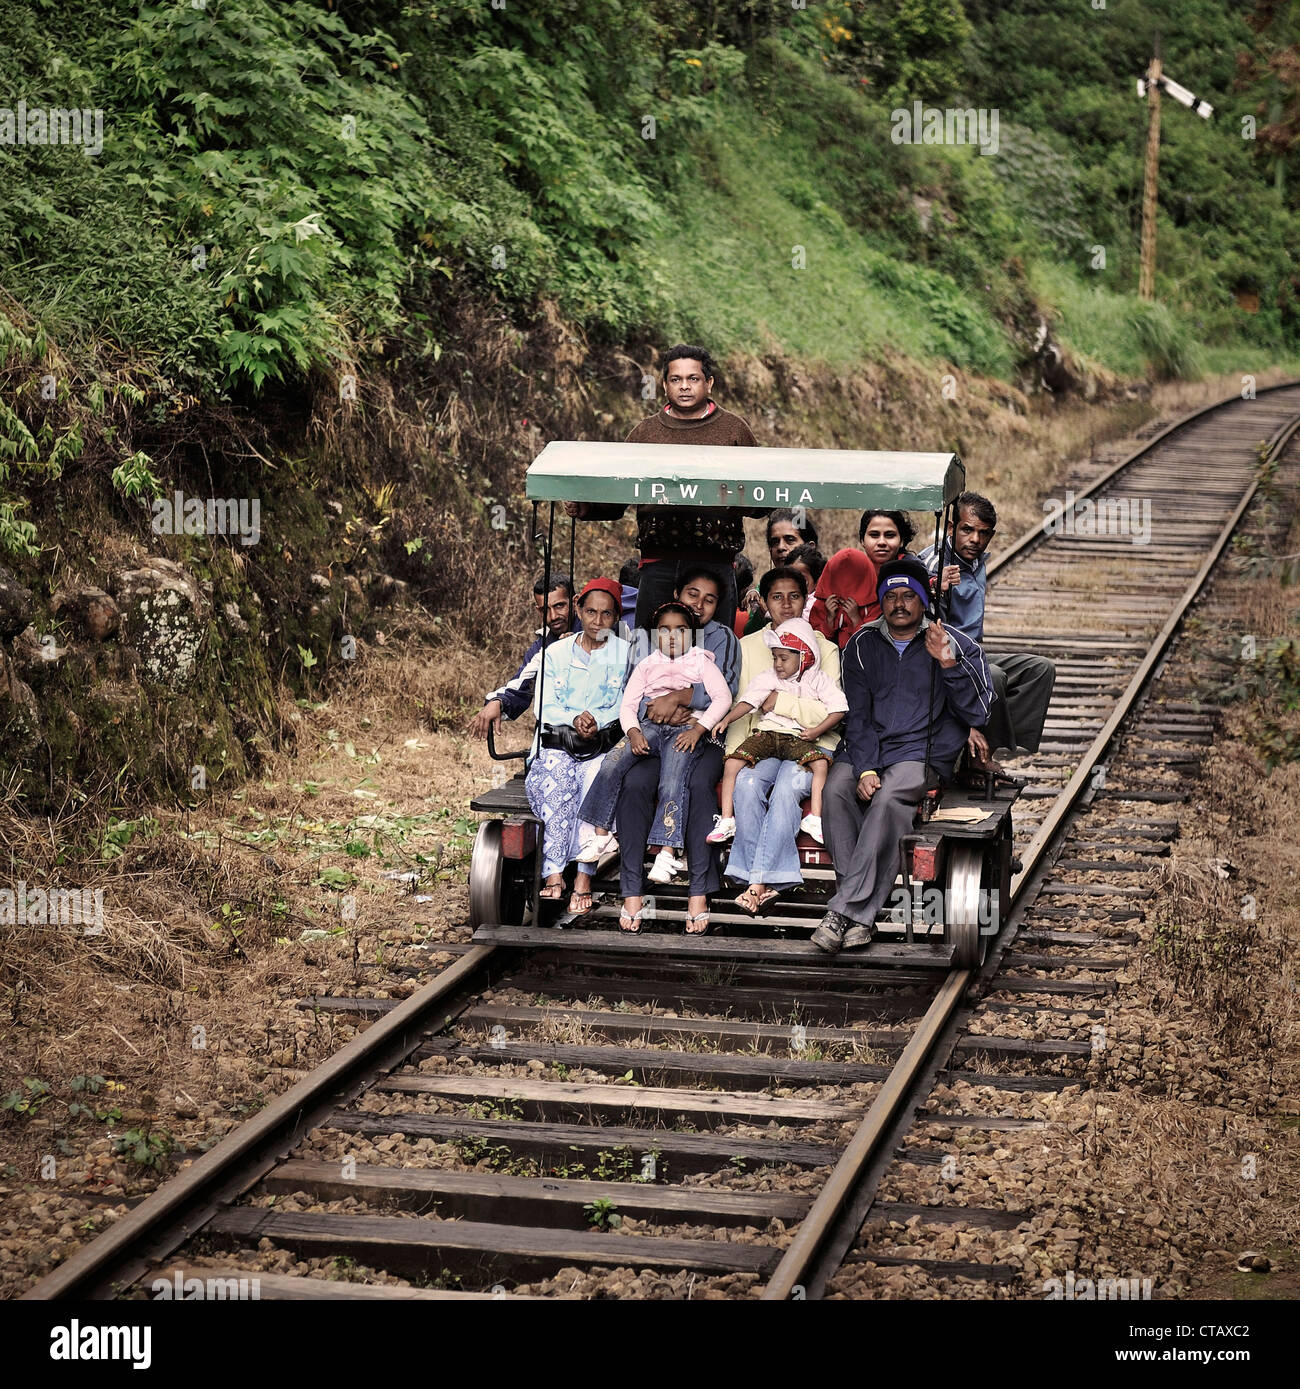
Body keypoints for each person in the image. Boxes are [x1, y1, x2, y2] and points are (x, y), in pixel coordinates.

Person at [814, 556, 992, 955]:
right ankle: (859, 914)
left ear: (923, 600)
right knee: (836, 792)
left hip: (923, 752)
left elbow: (978, 713)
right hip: (870, 749)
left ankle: (844, 912)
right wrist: (865, 768)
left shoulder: (956, 644)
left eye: (908, 596)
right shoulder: (861, 642)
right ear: (881, 600)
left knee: (890, 798)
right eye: (890, 596)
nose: (899, 603)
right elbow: (856, 715)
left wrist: (946, 663)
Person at [563, 344, 764, 631]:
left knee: (715, 648)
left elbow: (761, 495)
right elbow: (620, 491)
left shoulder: (734, 431)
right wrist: (585, 506)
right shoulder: (645, 433)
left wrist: (736, 498)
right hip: (659, 563)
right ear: (664, 384)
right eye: (676, 379)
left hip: (715, 563)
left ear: (709, 383)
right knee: (651, 645)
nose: (684, 386)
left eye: (693, 379)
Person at [579, 602, 732, 934]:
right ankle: (601, 834)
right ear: (654, 635)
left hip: (686, 732)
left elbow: (722, 698)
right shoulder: (647, 664)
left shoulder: (703, 662)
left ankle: (668, 850)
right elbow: (629, 705)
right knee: (614, 764)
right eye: (665, 631)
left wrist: (698, 728)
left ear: (692, 634)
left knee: (674, 782)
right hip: (648, 729)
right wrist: (633, 731)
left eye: (681, 631)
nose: (673, 637)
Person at [721, 567, 842, 915]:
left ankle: (755, 883)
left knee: (789, 785)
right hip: (765, 741)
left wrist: (778, 702)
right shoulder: (748, 646)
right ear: (764, 602)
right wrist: (735, 755)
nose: (786, 604)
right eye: (777, 597)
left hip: (811, 744)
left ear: (806, 601)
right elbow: (742, 708)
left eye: (795, 596)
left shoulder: (824, 649)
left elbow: (827, 713)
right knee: (744, 784)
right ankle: (766, 882)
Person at [918, 492, 1056, 778]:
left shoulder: (976, 561)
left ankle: (987, 750)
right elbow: (919, 619)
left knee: (1040, 670)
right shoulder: (938, 564)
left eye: (983, 534)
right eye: (967, 530)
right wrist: (934, 587)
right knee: (994, 677)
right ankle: (978, 761)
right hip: (944, 659)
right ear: (952, 528)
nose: (975, 540)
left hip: (973, 654)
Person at [523, 580, 630, 914]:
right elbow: (543, 705)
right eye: (591, 612)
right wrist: (575, 718)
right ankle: (553, 873)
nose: (597, 622)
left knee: (596, 781)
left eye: (606, 614)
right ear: (579, 611)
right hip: (557, 741)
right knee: (557, 778)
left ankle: (584, 877)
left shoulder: (626, 655)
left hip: (600, 745)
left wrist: (596, 719)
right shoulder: (554, 653)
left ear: (615, 618)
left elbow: (629, 702)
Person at [709, 617, 847, 845]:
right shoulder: (769, 677)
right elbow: (749, 701)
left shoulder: (819, 680)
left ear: (805, 657)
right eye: (774, 657)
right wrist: (727, 719)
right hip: (766, 735)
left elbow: (839, 710)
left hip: (796, 738)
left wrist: (815, 731)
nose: (778, 664)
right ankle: (726, 820)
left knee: (820, 763)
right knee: (732, 763)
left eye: (784, 658)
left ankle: (815, 818)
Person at [466, 573, 577, 738]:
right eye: (545, 609)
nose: (553, 616)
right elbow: (521, 686)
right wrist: (498, 702)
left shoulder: (596, 630)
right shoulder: (542, 646)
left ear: (575, 602)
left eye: (559, 606)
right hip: (559, 736)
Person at [808, 511, 915, 652]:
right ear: (862, 540)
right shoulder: (848, 570)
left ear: (901, 540)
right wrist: (830, 619)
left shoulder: (911, 572)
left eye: (890, 535)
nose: (881, 542)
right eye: (874, 535)